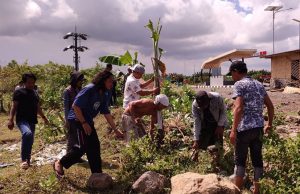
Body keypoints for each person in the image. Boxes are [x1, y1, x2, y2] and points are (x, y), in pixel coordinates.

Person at [53, 70, 123, 179]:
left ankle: (97, 174)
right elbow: (75, 106)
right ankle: (60, 163)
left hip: (88, 121)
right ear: (102, 81)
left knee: (94, 146)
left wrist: (115, 129)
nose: (111, 84)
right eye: (109, 81)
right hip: (77, 120)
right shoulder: (90, 89)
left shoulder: (105, 93)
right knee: (82, 147)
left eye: (112, 81)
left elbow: (106, 112)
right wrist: (84, 122)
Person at [229, 61, 274, 194]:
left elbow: (238, 108)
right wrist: (269, 124)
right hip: (258, 128)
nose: (232, 77)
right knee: (257, 160)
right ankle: (257, 190)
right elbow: (270, 106)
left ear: (236, 71)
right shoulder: (259, 84)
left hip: (244, 129)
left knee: (240, 160)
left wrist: (233, 130)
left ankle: (237, 190)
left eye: (232, 73)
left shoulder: (239, 84)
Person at [7, 73, 49, 169]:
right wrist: (10, 120)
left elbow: (38, 107)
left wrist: (44, 117)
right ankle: (23, 160)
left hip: (32, 120)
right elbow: (14, 106)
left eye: (33, 82)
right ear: (24, 82)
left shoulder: (35, 93)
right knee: (28, 134)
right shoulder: (19, 92)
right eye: (29, 82)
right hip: (22, 119)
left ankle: (28, 161)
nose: (31, 84)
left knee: (30, 141)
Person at [63, 71, 85, 162]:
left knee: (79, 138)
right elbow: (66, 107)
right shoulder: (67, 91)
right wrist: (67, 120)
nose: (81, 82)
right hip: (71, 118)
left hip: (80, 116)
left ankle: (76, 156)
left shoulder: (80, 89)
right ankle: (69, 157)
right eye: (80, 80)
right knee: (72, 137)